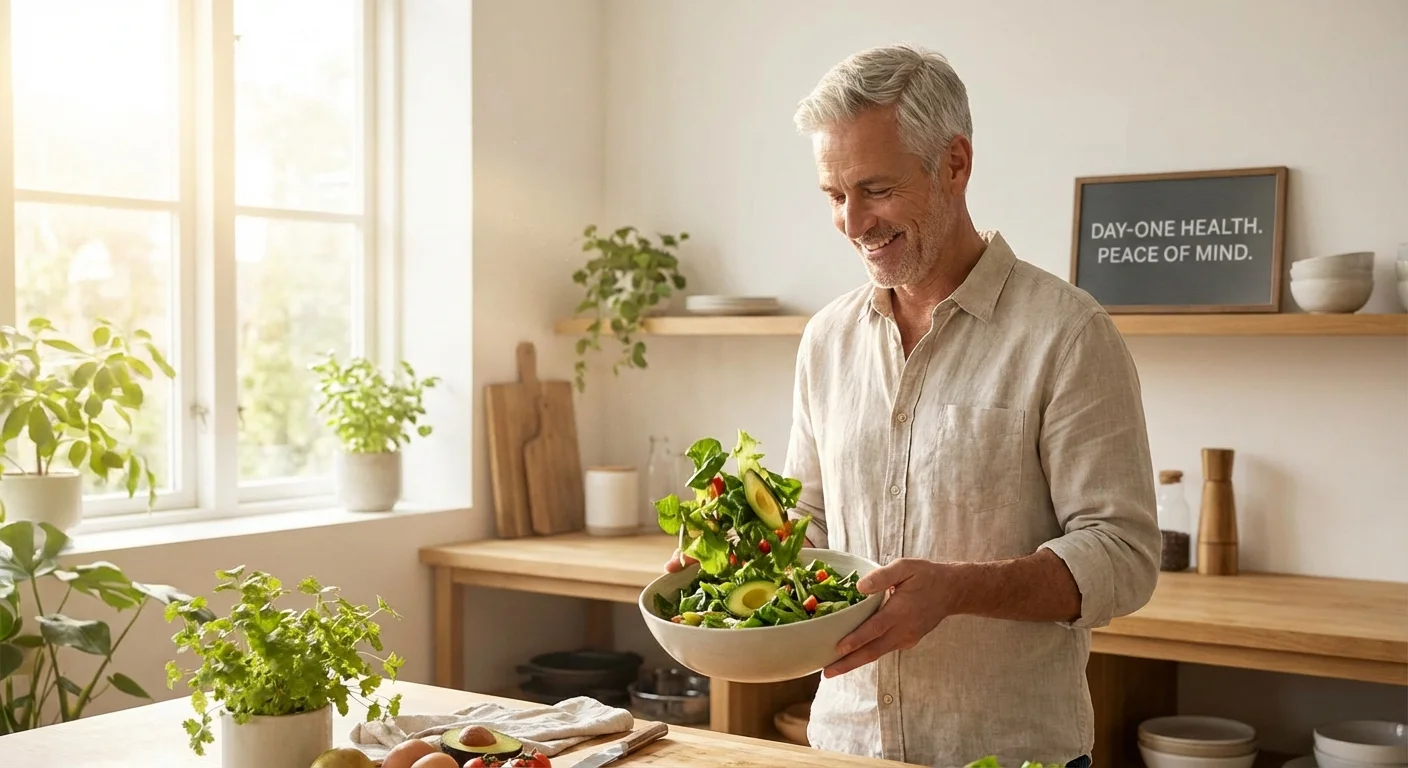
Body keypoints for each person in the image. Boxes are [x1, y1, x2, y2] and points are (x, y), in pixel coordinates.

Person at [664, 44, 1161, 768]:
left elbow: (1124, 554)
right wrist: (731, 558)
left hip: (1011, 753)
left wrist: (957, 590)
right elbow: (808, 519)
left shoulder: (1067, 333)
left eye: (876, 189)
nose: (853, 221)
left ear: (955, 164)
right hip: (844, 747)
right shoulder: (827, 340)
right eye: (834, 195)